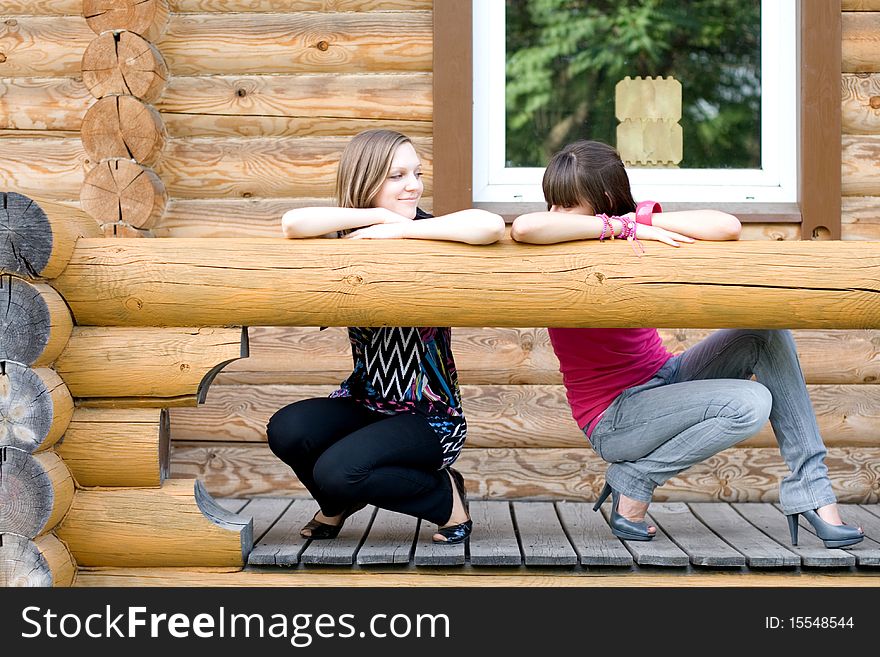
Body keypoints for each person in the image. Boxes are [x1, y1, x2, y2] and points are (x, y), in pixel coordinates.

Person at [510, 139, 863, 548]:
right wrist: (621, 227)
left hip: (665, 378)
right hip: (615, 416)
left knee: (767, 329)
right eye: (552, 202)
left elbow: (727, 226)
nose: (555, 212)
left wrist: (641, 223)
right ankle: (635, 479)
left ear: (605, 198)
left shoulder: (635, 226)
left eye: (566, 203)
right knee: (749, 403)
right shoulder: (560, 242)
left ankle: (813, 493)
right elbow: (526, 227)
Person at [267, 129, 505, 544]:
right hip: (365, 403)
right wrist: (378, 218)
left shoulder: (431, 231)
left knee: (338, 471)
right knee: (288, 429)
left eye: (416, 172)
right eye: (396, 176)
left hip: (430, 418)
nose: (413, 185)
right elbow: (293, 223)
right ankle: (336, 504)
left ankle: (446, 500)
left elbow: (488, 226)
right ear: (366, 178)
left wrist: (402, 230)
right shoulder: (348, 236)